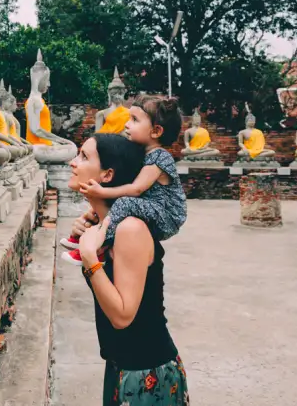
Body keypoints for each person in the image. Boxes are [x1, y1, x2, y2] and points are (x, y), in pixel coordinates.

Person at [69, 134, 189, 405]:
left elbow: (122, 316)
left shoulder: (130, 229)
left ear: (107, 175)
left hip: (147, 373)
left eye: (84, 157)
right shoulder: (105, 227)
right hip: (119, 365)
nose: (73, 162)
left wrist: (90, 258)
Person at [61, 95, 187, 265]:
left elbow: (136, 189)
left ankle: (99, 248)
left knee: (124, 203)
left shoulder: (159, 157)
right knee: (108, 208)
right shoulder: (142, 153)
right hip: (151, 208)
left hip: (167, 215)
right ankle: (85, 236)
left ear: (156, 131)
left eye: (134, 120)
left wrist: (102, 191)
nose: (127, 124)